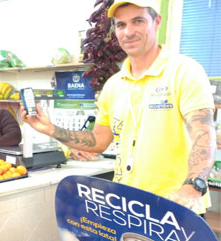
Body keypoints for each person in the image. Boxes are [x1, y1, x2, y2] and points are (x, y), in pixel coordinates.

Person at [20, 0, 217, 214]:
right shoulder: (114, 84)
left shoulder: (184, 71)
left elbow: (204, 135)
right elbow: (99, 141)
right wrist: (50, 129)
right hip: (127, 205)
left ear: (156, 21)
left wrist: (193, 187)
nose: (128, 32)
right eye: (121, 25)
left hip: (176, 205)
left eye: (138, 21)